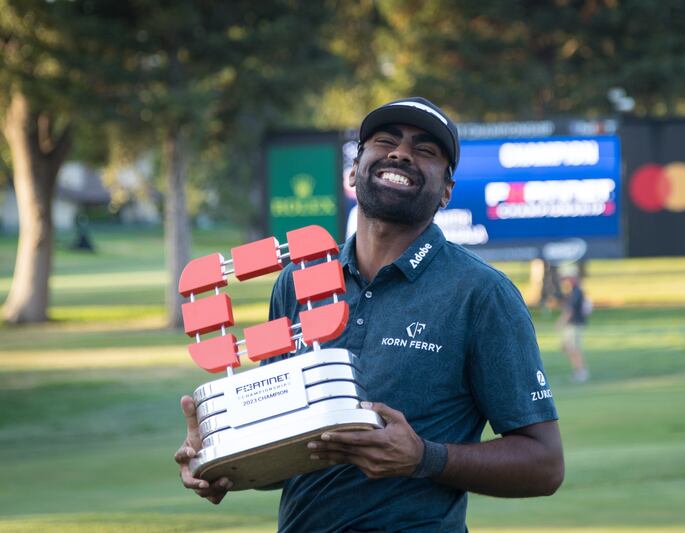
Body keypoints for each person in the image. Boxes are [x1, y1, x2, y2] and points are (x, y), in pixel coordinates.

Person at [175, 97, 564, 531]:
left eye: (425, 150)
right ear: (353, 170)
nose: (400, 153)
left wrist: (424, 458)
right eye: (385, 141)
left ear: (447, 191)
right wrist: (220, 457)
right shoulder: (297, 282)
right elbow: (295, 450)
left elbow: (544, 463)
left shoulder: (481, 294)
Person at [557, 266, 590, 382]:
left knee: (574, 349)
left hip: (574, 324)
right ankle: (578, 370)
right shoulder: (572, 291)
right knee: (567, 347)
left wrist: (561, 323)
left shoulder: (576, 291)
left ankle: (581, 372)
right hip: (572, 325)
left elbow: (569, 311)